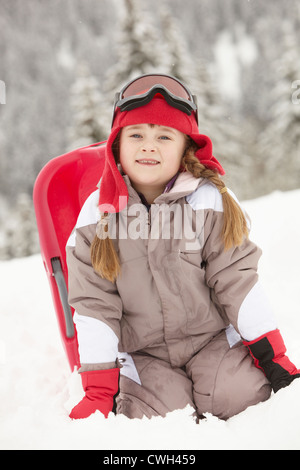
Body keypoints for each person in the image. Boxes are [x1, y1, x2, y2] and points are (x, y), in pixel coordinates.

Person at [66, 74, 300, 420]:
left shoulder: (208, 203)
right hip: (144, 354)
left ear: (185, 148)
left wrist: (273, 355)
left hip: (212, 340)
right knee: (154, 418)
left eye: (164, 136)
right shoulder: (96, 218)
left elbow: (237, 282)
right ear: (116, 144)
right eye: (136, 135)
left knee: (242, 397)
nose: (149, 146)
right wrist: (100, 388)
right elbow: (93, 305)